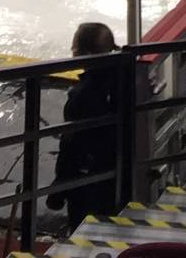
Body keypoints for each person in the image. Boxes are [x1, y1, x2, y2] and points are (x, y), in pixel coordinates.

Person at [50, 22, 128, 230]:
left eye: (75, 50)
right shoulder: (126, 75)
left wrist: (60, 186)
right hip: (119, 170)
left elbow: (72, 144)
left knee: (85, 230)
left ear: (86, 54)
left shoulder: (84, 95)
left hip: (89, 179)